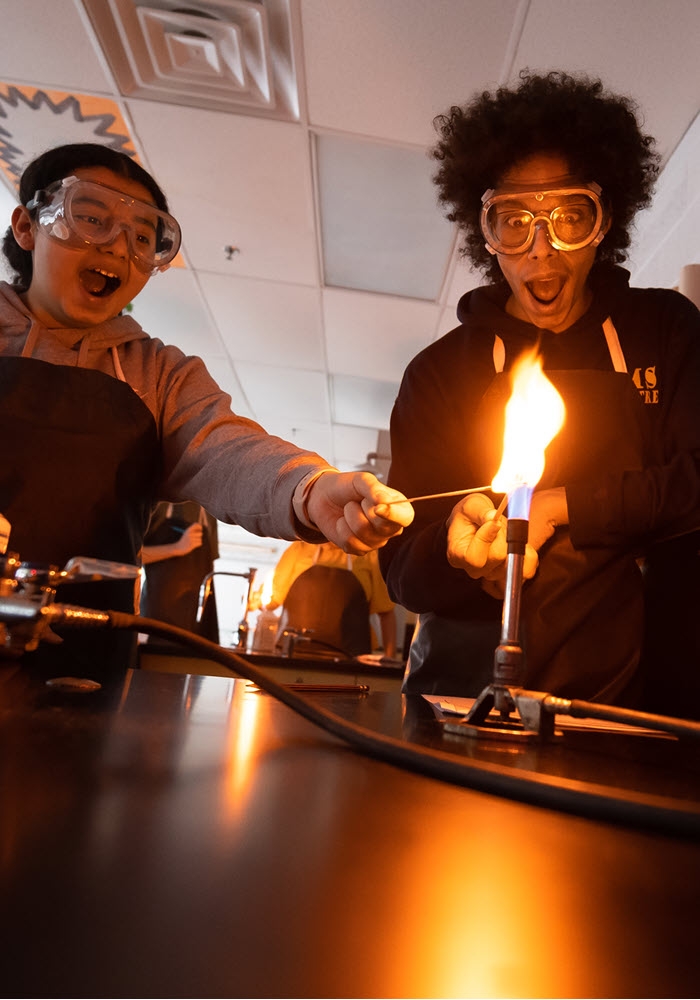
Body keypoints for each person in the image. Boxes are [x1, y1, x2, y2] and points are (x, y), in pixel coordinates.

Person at [0, 142, 413, 673]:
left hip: (84, 667)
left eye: (142, 238)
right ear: (27, 227)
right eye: (91, 218)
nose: (118, 247)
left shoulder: (158, 374)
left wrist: (308, 489)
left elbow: (227, 450)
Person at [378, 70, 700, 717]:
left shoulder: (664, 331)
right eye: (515, 222)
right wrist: (455, 553)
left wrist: (564, 506)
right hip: (461, 698)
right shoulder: (440, 374)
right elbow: (403, 570)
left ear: (605, 220)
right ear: (485, 230)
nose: (542, 250)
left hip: (642, 700)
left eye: (568, 218)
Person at [267, 540, 397, 658]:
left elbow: (386, 613)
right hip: (294, 653)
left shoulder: (368, 555)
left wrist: (389, 658)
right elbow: (273, 599)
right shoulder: (299, 549)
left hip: (350, 659)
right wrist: (253, 602)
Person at [140, 501, 219, 642]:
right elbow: (133, 556)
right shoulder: (159, 504)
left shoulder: (209, 510)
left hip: (194, 619)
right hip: (158, 617)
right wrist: (177, 548)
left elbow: (208, 571)